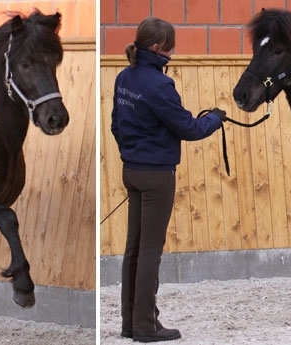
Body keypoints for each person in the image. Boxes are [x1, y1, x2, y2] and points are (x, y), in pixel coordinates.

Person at [110, 16, 226, 343]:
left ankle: (130, 323)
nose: (173, 52)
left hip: (131, 169)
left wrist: (132, 153)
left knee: (134, 248)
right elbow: (188, 129)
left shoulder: (124, 77)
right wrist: (215, 119)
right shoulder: (159, 84)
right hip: (156, 175)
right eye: (171, 46)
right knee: (149, 250)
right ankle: (146, 325)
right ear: (159, 47)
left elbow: (116, 125)